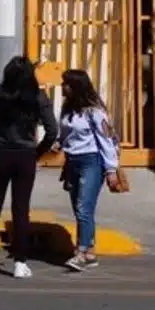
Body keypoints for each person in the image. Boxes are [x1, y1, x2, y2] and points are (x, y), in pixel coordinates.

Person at [0, 56, 57, 279]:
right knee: (21, 209)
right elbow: (52, 130)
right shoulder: (37, 96)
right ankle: (20, 263)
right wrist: (38, 151)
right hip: (25, 155)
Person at [57, 69, 121, 271]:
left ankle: (81, 252)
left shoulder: (95, 111)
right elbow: (66, 134)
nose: (62, 87)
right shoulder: (68, 109)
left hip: (91, 162)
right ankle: (90, 251)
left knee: (85, 207)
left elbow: (107, 139)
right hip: (72, 161)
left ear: (75, 87)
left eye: (65, 83)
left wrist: (111, 169)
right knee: (80, 208)